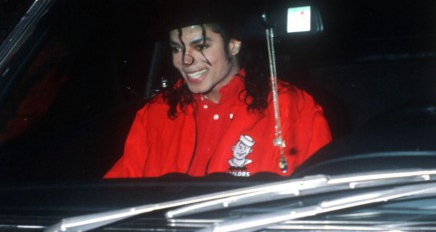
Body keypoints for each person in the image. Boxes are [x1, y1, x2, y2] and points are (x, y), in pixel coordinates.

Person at [105, 16, 332, 178]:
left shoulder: (289, 106)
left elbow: (320, 196)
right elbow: (118, 193)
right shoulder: (156, 113)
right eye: (176, 49)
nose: (185, 60)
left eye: (201, 46)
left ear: (233, 45)